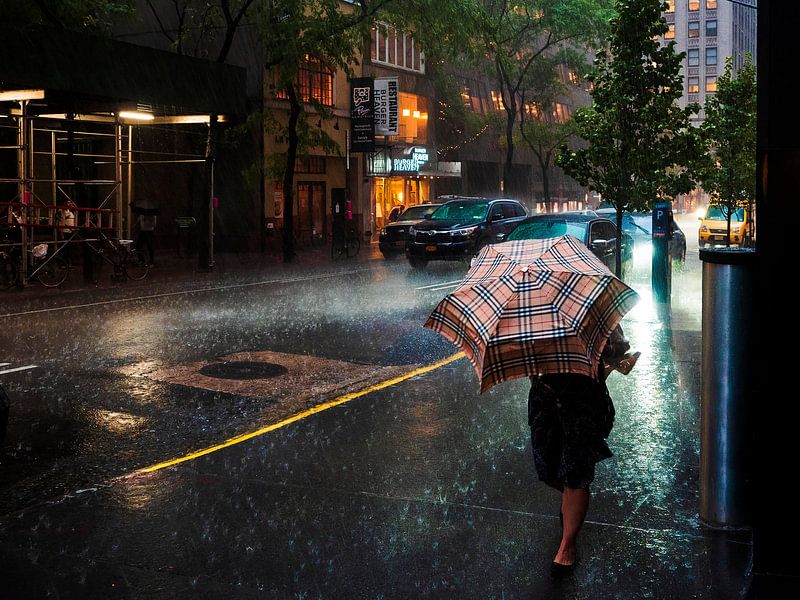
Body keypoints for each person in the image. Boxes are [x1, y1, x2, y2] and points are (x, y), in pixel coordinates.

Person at [527, 325, 637, 578]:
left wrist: (604, 347)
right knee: (547, 469)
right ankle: (571, 501)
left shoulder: (587, 309)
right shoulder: (528, 313)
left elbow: (618, 348)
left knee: (576, 473)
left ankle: (567, 545)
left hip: (584, 400)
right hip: (545, 400)